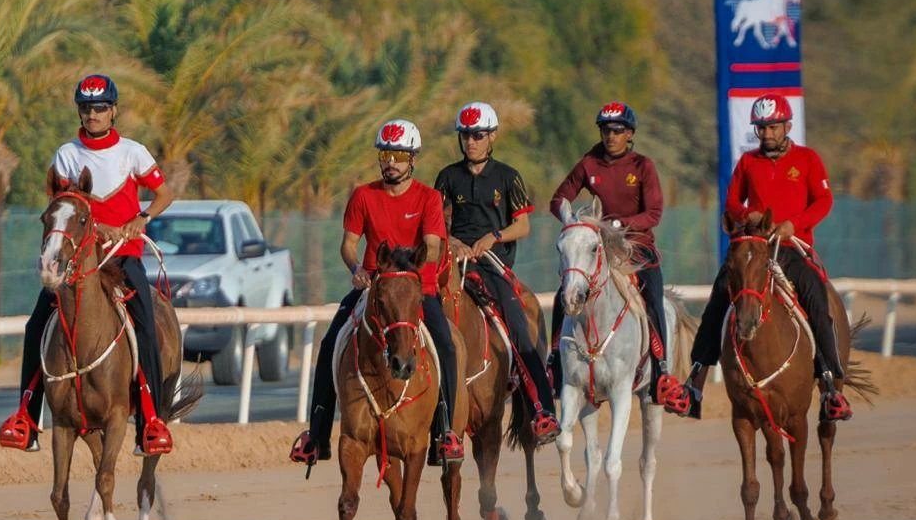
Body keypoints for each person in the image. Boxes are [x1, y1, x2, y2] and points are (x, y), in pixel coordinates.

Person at [0, 74, 176, 454]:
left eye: (99, 107)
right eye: (85, 107)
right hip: (80, 263)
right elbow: (62, 208)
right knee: (36, 325)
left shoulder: (133, 152)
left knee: (145, 322)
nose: (92, 114)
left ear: (113, 110)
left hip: (123, 258)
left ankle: (151, 421)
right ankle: (26, 419)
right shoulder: (66, 154)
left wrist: (140, 220)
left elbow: (164, 193)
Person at [290, 119, 464, 467]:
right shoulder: (363, 196)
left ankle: (444, 433)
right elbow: (348, 244)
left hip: (418, 291)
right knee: (329, 345)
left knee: (445, 344)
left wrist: (406, 265)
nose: (391, 162)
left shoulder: (429, 199)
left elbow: (432, 245)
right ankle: (317, 435)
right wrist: (356, 269)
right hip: (372, 290)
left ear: (412, 159)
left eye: (398, 155)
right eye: (385, 154)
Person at [672, 93, 851, 422]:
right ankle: (694, 382)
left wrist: (793, 224)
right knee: (718, 299)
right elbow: (731, 203)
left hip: (794, 247)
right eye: (761, 128)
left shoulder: (808, 159)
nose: (766, 134)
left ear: (787, 126)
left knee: (817, 301)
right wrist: (748, 215)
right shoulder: (748, 163)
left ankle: (830, 385)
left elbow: (824, 200)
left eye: (772, 127)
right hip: (755, 248)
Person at [434, 102, 560, 443]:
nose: (471, 142)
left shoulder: (508, 177)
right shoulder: (447, 177)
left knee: (519, 326)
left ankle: (542, 409)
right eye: (465, 136)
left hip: (493, 265)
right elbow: (435, 223)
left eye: (477, 135)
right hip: (454, 262)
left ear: (491, 136)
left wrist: (494, 237)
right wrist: (453, 241)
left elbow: (523, 225)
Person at [549, 102, 681, 406]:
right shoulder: (588, 165)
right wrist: (571, 221)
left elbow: (655, 213)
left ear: (630, 133)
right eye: (606, 130)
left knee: (653, 298)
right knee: (563, 295)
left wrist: (620, 224)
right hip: (598, 251)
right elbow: (558, 199)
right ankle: (554, 364)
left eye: (618, 130)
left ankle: (661, 370)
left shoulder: (643, 166)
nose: (611, 136)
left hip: (637, 249)